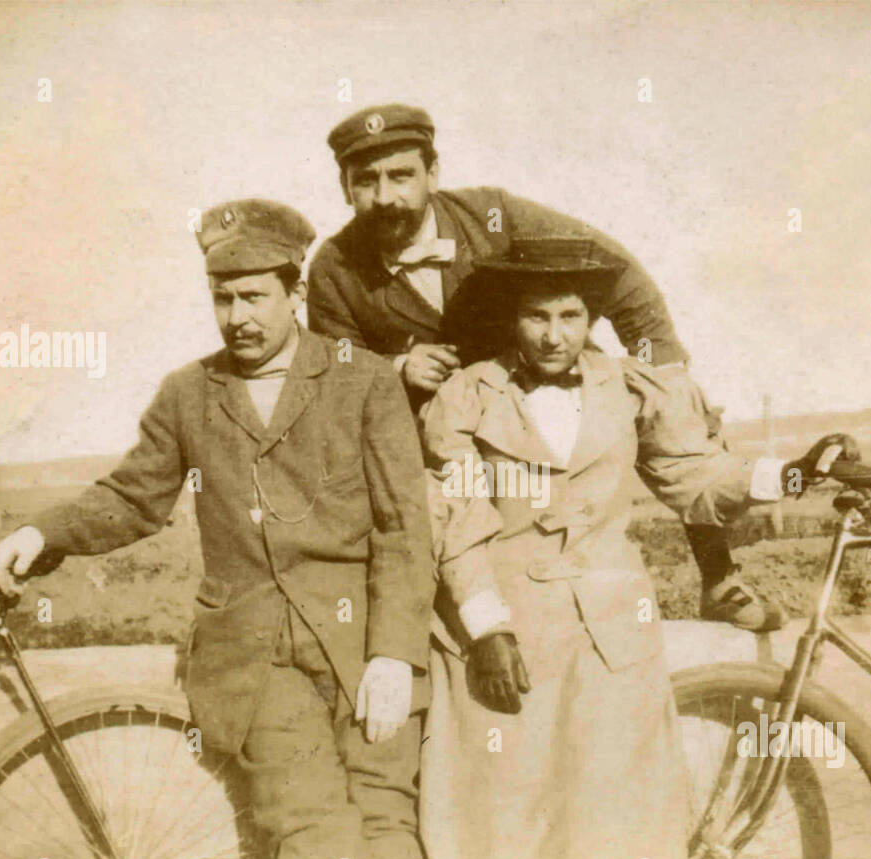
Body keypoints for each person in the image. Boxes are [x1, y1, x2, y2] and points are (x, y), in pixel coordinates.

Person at [0, 199, 434, 859]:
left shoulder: (363, 383)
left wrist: (394, 654)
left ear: (294, 294)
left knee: (386, 821)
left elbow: (403, 528)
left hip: (364, 644)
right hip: (255, 657)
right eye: (221, 298)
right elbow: (135, 497)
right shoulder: (189, 393)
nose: (236, 316)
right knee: (313, 832)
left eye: (253, 295)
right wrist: (44, 532)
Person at [418, 235, 858, 859]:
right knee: (504, 821)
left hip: (614, 639)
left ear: (591, 315)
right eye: (536, 317)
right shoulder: (466, 396)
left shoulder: (631, 388)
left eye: (569, 315)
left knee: (619, 824)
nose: (553, 335)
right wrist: (487, 628)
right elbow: (456, 520)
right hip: (503, 641)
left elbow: (694, 479)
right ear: (511, 317)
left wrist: (785, 476)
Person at [306, 102, 783, 631]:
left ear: (433, 174)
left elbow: (612, 267)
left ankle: (719, 576)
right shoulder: (333, 267)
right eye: (366, 181)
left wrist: (663, 364)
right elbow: (334, 368)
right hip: (440, 418)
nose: (386, 195)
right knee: (434, 503)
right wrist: (396, 367)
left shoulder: (493, 213)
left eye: (402, 176)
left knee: (660, 408)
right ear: (344, 187)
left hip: (536, 370)